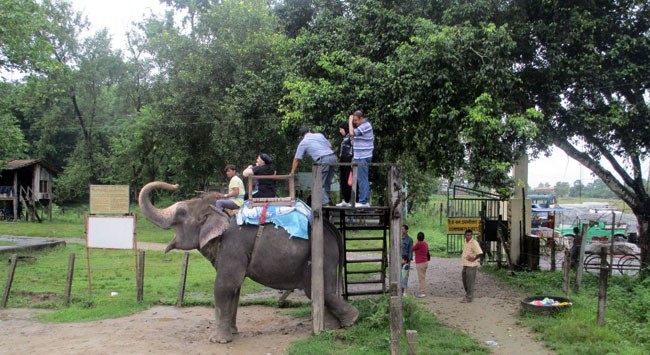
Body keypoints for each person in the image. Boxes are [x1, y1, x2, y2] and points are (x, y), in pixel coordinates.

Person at [291, 126, 337, 206]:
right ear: (309, 130)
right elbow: (330, 146)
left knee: (319, 184)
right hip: (333, 158)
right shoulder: (319, 135)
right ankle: (326, 201)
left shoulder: (303, 142)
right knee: (327, 183)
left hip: (323, 160)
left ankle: (326, 204)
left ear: (301, 136)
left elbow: (297, 159)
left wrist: (292, 172)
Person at [348, 110, 373, 207]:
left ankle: (364, 201)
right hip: (359, 156)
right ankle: (363, 199)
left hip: (363, 156)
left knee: (363, 179)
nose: (355, 122)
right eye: (354, 121)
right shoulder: (362, 126)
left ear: (362, 118)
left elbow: (352, 133)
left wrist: (349, 121)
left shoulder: (366, 126)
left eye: (356, 120)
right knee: (360, 178)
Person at [461, 229, 483, 303]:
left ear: (472, 235)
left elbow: (480, 253)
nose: (469, 236)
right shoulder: (466, 241)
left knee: (470, 281)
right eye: (467, 235)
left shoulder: (474, 243)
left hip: (472, 265)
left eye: (470, 235)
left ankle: (469, 297)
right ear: (465, 235)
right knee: (464, 280)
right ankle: (468, 294)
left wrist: (474, 258)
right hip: (465, 264)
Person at [336, 122, 353, 207]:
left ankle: (350, 200)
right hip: (343, 161)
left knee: (348, 181)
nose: (340, 131)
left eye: (341, 129)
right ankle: (345, 199)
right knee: (343, 181)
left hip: (349, 161)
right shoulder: (344, 138)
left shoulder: (351, 137)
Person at [411, 232, 429, 298]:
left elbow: (412, 249)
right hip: (425, 262)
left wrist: (415, 242)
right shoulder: (425, 243)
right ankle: (422, 291)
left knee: (421, 278)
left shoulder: (418, 244)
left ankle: (422, 292)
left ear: (417, 237)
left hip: (420, 263)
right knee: (423, 277)